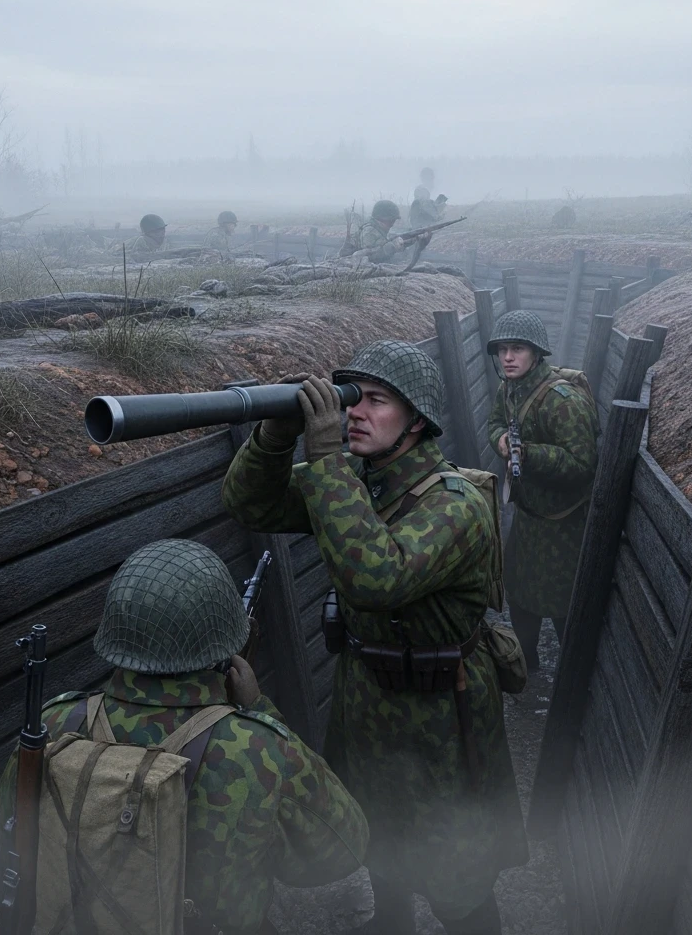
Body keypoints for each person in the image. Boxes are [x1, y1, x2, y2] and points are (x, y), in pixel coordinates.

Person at [221, 343, 526, 935]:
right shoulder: (360, 482)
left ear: (416, 421)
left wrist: (326, 458)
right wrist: (275, 438)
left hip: (442, 713)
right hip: (366, 699)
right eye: (347, 398)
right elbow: (248, 503)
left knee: (456, 873)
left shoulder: (455, 504)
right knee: (378, 838)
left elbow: (374, 576)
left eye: (375, 400)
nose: (354, 412)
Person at [0, 538, 368, 935]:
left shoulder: (53, 724)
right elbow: (345, 848)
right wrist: (258, 707)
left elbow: (8, 823)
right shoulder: (259, 747)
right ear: (224, 645)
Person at [485, 311, 599, 670]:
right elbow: (495, 423)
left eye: (517, 349)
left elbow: (583, 466)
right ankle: (526, 668)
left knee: (566, 605)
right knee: (519, 595)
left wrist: (529, 455)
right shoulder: (510, 388)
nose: (507, 357)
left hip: (564, 525)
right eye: (502, 349)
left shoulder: (562, 402)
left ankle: (571, 680)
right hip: (528, 516)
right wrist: (502, 442)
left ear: (536, 353)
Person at [353, 199, 429, 266]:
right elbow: (370, 256)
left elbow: (392, 242)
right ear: (382, 219)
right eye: (391, 221)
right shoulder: (369, 232)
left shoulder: (379, 229)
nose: (392, 224)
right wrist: (393, 246)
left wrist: (415, 238)